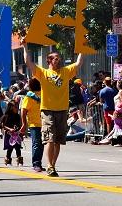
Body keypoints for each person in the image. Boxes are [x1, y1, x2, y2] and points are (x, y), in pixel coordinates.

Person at [23, 38, 83, 177]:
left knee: (58, 141)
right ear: (49, 61)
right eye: (55, 58)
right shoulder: (43, 73)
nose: (58, 60)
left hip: (62, 110)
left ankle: (53, 165)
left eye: (59, 58)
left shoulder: (66, 71)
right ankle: (49, 165)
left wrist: (82, 48)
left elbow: (79, 63)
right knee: (49, 138)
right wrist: (25, 46)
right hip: (48, 110)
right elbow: (29, 63)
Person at [20, 78, 44, 172]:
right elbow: (23, 110)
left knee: (41, 144)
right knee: (37, 144)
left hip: (44, 123)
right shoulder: (29, 96)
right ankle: (36, 163)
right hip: (34, 124)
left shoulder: (43, 94)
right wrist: (24, 124)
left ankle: (39, 163)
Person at [1, 101, 23, 166]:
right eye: (15, 107)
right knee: (10, 148)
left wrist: (21, 133)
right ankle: (8, 160)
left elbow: (20, 125)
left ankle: (19, 160)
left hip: (16, 134)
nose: (16, 108)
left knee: (18, 147)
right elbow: (3, 125)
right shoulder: (6, 116)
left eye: (17, 106)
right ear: (10, 107)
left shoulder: (18, 116)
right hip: (9, 134)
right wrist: (10, 129)